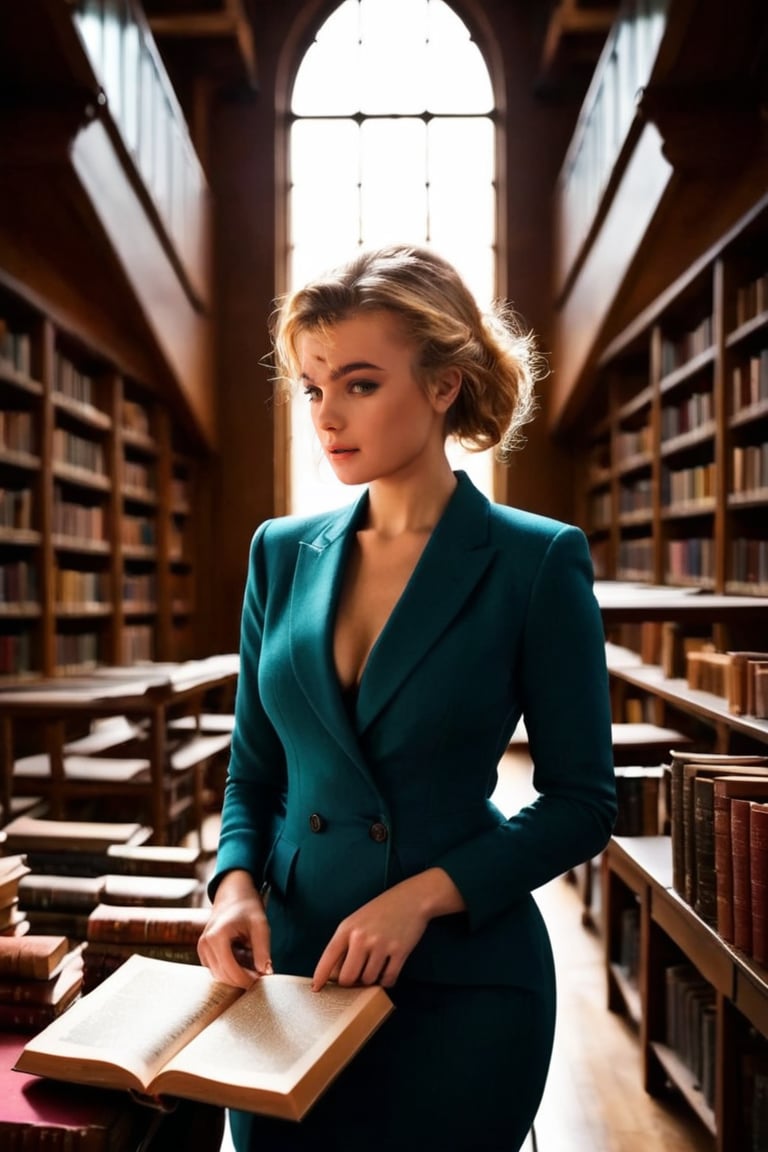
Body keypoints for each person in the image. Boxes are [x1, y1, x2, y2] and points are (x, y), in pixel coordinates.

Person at [197, 244, 617, 1151]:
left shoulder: (535, 559)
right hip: (295, 975)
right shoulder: (280, 551)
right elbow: (252, 775)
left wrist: (423, 896)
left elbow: (583, 804)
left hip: (461, 981)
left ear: (443, 386)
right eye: (312, 389)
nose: (327, 416)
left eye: (358, 384)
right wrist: (233, 885)